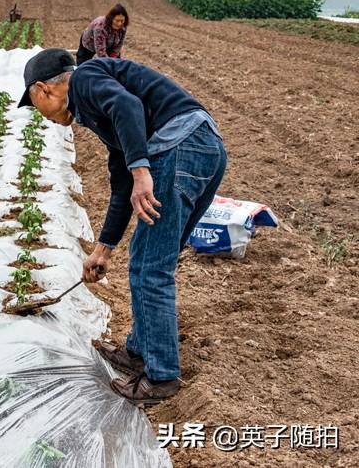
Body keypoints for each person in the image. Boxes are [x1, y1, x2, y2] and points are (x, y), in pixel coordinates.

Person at [19, 49, 226, 406]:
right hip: (203, 147)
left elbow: (127, 107)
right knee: (153, 259)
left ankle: (161, 377)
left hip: (177, 148)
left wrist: (142, 169)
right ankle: (138, 352)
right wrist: (103, 249)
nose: (42, 115)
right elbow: (120, 182)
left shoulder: (84, 80)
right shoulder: (97, 106)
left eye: (33, 102)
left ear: (43, 89)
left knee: (150, 268)